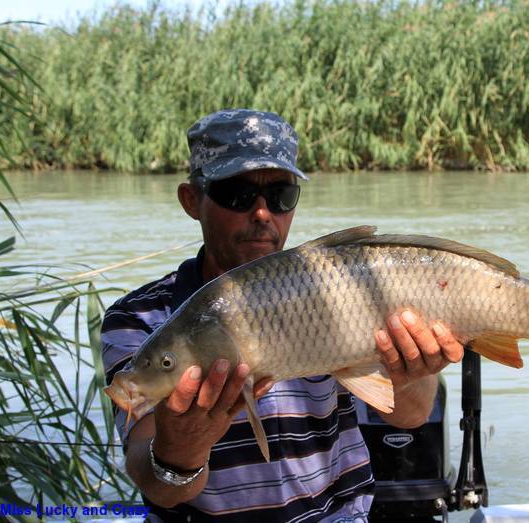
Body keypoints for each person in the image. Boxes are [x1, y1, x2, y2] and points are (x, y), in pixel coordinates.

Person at [101, 109, 465, 522]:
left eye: (280, 195)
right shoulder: (140, 318)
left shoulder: (336, 286)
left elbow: (412, 415)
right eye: (237, 193)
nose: (261, 214)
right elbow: (156, 486)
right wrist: (180, 450)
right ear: (191, 200)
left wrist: (414, 371)